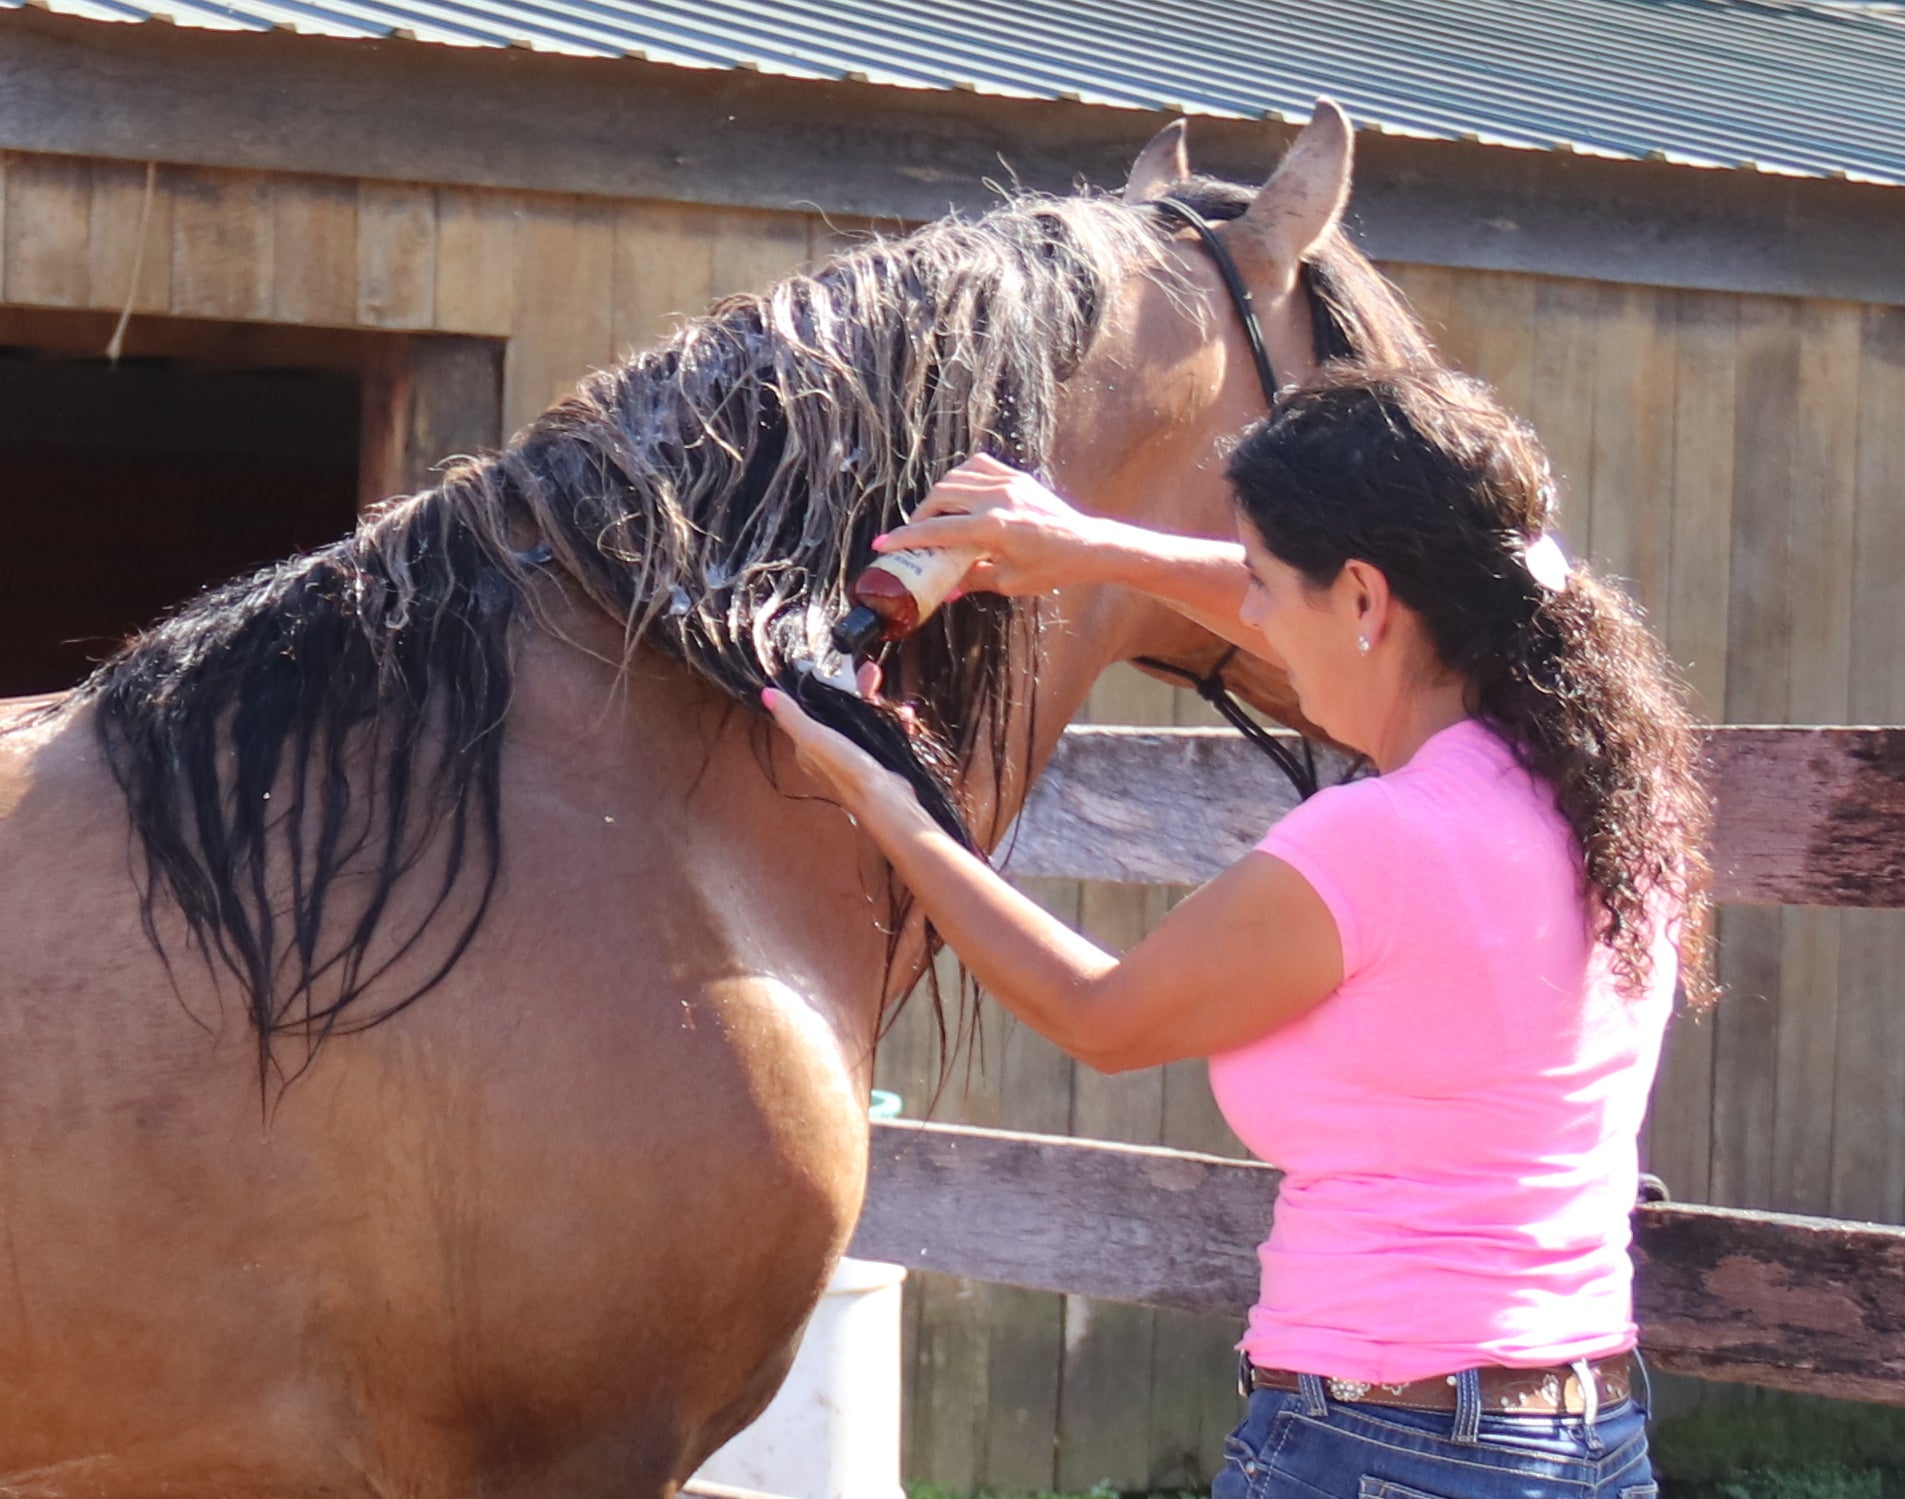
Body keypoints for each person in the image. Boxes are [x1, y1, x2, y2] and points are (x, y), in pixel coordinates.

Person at [763, 364, 1712, 1498]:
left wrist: (900, 813)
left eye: (1263, 585)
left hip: (1381, 1445)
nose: (1246, 616)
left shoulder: (1377, 843)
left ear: (1365, 599)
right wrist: (1092, 550)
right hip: (1585, 1437)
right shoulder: (1614, 785)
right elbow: (1424, 593)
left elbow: (1101, 1017)